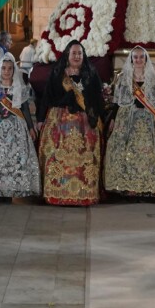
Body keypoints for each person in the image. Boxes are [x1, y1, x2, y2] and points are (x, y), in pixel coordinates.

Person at [37, 39, 104, 205]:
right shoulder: (57, 73)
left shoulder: (91, 74)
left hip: (84, 124)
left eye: (80, 53)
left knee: (85, 159)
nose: (77, 56)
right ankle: (57, 192)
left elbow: (98, 99)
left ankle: (84, 193)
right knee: (57, 157)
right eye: (74, 53)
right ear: (67, 55)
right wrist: (40, 119)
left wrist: (101, 117)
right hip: (60, 122)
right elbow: (47, 97)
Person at [104, 46, 155, 196]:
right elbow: (117, 101)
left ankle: (150, 186)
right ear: (131, 59)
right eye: (135, 57)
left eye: (141, 57)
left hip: (150, 118)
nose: (138, 60)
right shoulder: (124, 78)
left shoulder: (152, 77)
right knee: (126, 149)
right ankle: (129, 186)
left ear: (145, 59)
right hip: (127, 117)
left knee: (149, 149)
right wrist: (113, 119)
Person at [0, 52, 41, 199]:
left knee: (16, 156)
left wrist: (31, 127)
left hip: (15, 125)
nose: (6, 71)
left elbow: (24, 108)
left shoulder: (19, 87)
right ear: (0, 69)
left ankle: (15, 186)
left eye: (10, 68)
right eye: (4, 68)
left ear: (13, 70)